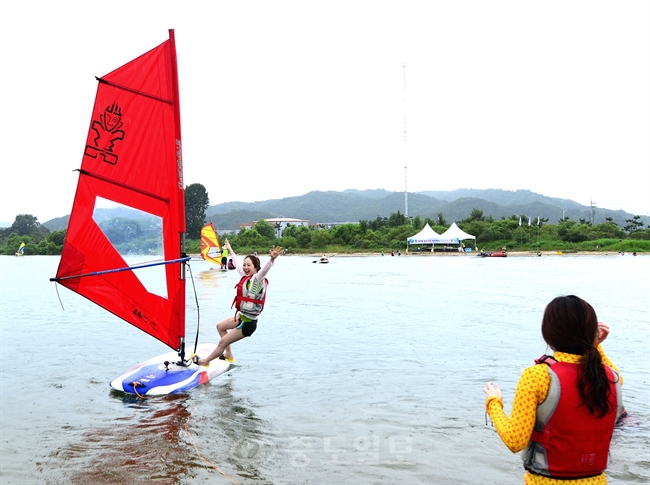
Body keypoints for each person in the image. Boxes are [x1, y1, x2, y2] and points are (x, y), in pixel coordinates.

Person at [483, 295, 623, 484]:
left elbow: (515, 441)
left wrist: (494, 403)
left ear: (548, 334)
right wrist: (595, 346)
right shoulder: (612, 378)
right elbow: (611, 372)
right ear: (591, 334)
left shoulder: (537, 376)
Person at [195, 240, 282, 365]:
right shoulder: (245, 277)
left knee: (222, 342)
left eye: (249, 265)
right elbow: (236, 264)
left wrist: (272, 259)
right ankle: (229, 354)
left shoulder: (257, 280)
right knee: (220, 327)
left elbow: (265, 271)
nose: (245, 268)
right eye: (245, 265)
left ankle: (205, 361)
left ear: (256, 268)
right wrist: (230, 250)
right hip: (241, 317)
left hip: (248, 324)